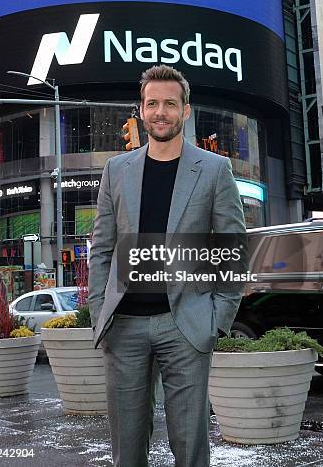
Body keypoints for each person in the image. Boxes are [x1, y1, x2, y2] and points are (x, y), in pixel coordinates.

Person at [88, 65, 247, 467]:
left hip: (187, 325)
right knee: (126, 448)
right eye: (152, 103)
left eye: (170, 104)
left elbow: (232, 246)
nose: (161, 112)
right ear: (141, 110)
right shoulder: (116, 170)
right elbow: (102, 248)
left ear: (186, 111)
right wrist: (97, 314)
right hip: (123, 326)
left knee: (191, 447)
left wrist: (217, 318)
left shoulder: (214, 170)